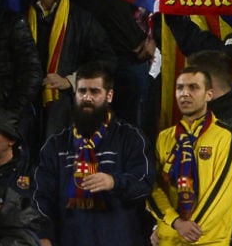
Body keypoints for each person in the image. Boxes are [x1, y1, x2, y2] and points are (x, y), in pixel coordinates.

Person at [33, 62, 154, 246]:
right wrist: (44, 235)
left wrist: (114, 182)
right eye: (82, 91)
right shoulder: (56, 145)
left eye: (95, 91)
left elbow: (145, 184)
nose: (87, 97)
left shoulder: (130, 138)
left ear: (109, 95)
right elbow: (41, 196)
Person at [26, 0, 115, 139]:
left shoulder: (82, 19)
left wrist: (70, 81)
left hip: (66, 105)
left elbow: (106, 60)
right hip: (28, 104)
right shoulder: (22, 19)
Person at [150, 67, 232, 246]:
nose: (185, 93)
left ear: (209, 95)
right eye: (180, 88)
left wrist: (185, 229)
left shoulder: (226, 136)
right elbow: (153, 186)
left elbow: (222, 192)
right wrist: (173, 223)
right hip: (169, 238)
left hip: (207, 240)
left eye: (193, 87)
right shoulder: (165, 138)